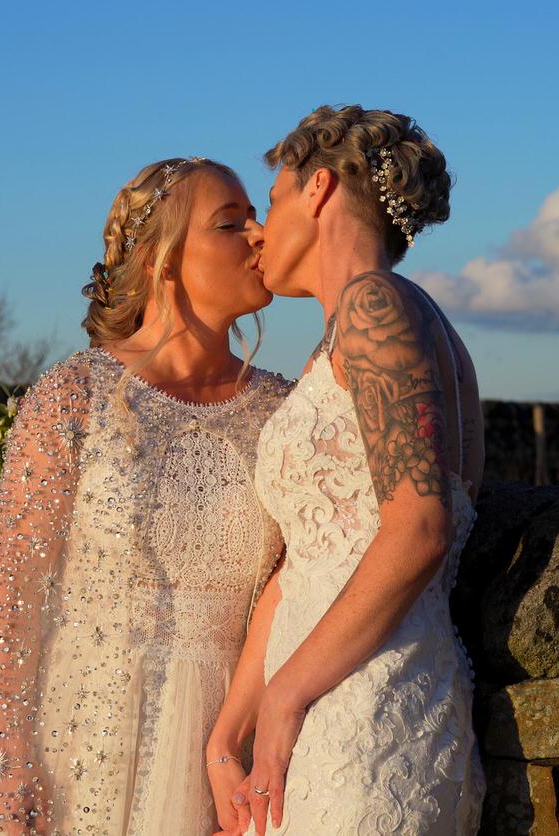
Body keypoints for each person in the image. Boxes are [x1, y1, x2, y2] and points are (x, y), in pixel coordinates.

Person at [0, 157, 297, 834]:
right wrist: (10, 758)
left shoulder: (283, 412)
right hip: (83, 743)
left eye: (255, 216)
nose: (259, 234)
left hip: (227, 749)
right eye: (232, 223)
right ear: (164, 260)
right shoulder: (73, 398)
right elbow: (13, 598)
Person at [208, 106, 486, 835]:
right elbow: (307, 563)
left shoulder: (376, 306)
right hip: (315, 704)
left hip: (368, 705)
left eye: (270, 201)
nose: (260, 231)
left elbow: (421, 529)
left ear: (319, 188)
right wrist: (226, 733)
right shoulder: (349, 334)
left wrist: (286, 695)